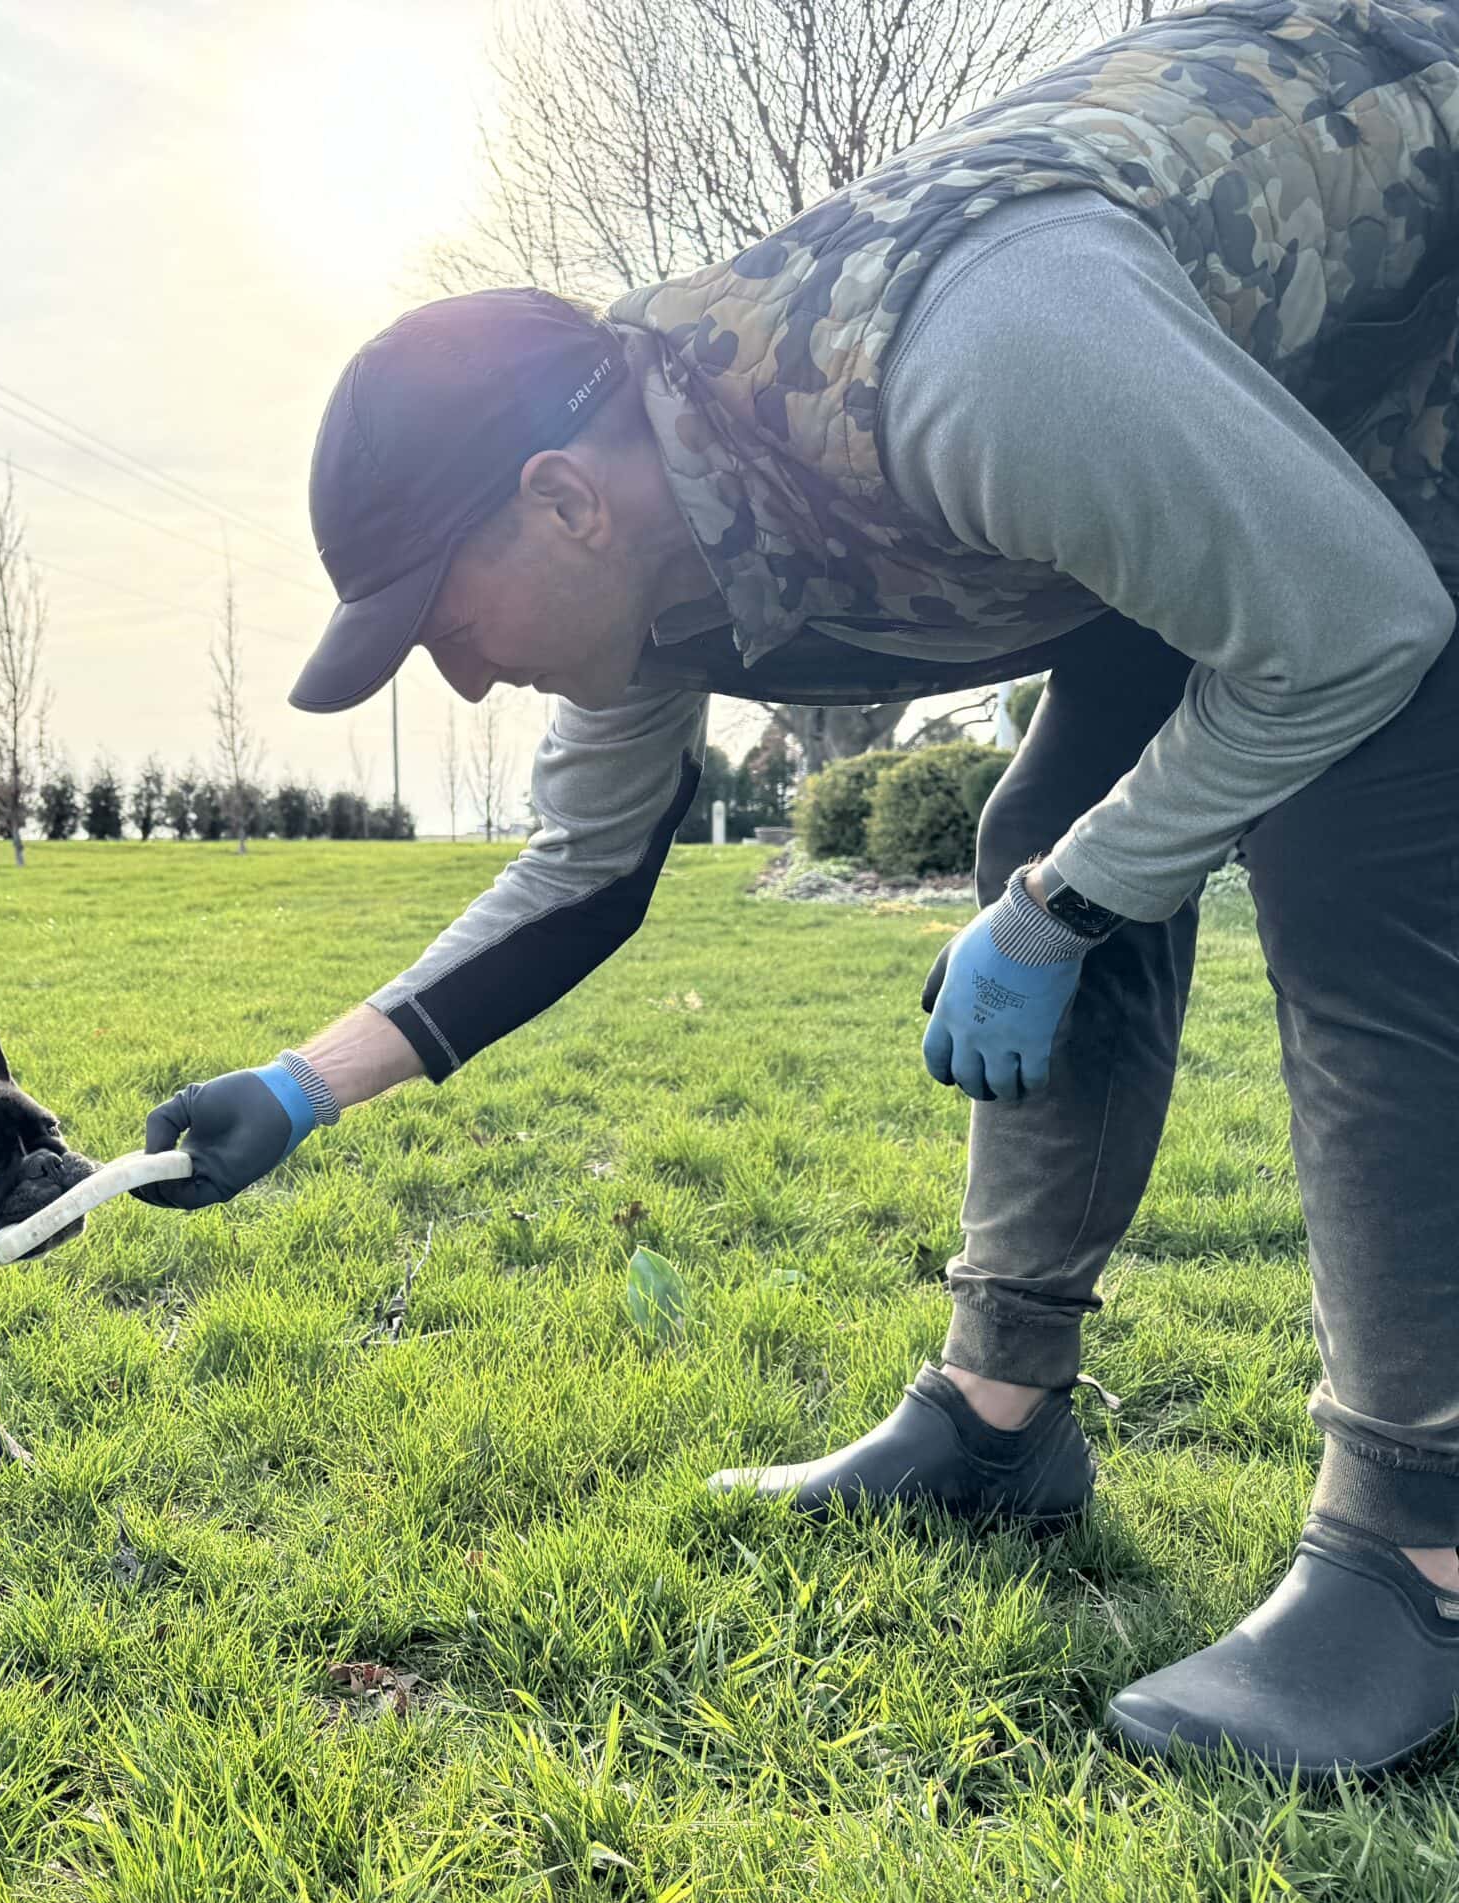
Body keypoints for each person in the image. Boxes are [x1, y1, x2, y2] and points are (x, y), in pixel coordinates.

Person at [138, 0, 1459, 1777]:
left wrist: (1059, 916)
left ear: (561, 503)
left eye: (448, 626)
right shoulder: (650, 552)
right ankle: (998, 1422)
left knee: (1355, 878)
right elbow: (584, 872)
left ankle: (1422, 1550)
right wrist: (295, 1093)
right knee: (1049, 840)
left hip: (1407, 316)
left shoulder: (978, 360)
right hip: (1221, 409)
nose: (457, 683)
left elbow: (1354, 626)